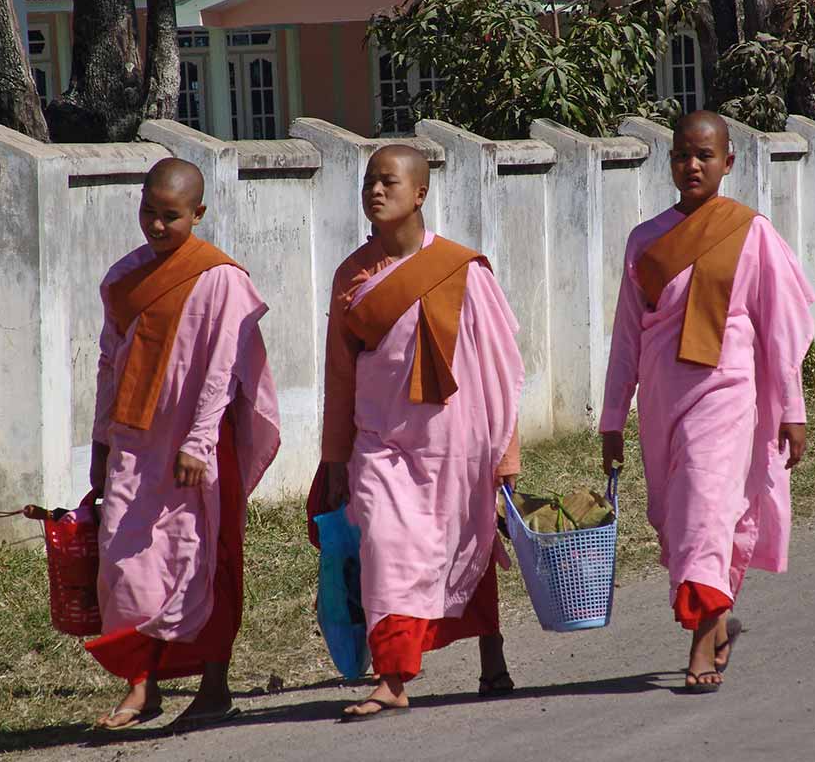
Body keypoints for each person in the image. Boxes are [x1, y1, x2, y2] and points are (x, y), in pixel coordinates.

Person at [599, 111, 815, 693]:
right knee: (677, 522)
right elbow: (626, 336)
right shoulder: (646, 240)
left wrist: (791, 409)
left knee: (704, 511)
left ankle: (699, 644)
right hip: (663, 400)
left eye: (704, 155)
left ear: (727, 162)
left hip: (727, 396)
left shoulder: (752, 232)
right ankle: (718, 621)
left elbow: (780, 331)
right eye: (680, 156)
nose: (691, 165)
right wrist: (613, 418)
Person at [316, 144, 524, 720]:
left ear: (420, 194)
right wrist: (335, 458)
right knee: (385, 548)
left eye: (388, 182)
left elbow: (499, 368)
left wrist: (505, 455)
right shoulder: (350, 276)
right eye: (368, 183)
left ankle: (492, 651)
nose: (376, 192)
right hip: (380, 441)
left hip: (457, 440)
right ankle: (393, 678)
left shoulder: (462, 268)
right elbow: (338, 375)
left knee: (467, 544)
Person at [84, 157, 281, 729]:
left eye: (170, 216)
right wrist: (101, 441)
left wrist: (198, 441)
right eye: (148, 212)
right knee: (124, 563)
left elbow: (224, 367)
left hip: (199, 445)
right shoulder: (124, 277)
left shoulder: (221, 277)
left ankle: (214, 685)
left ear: (198, 213)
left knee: (205, 556)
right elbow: (107, 363)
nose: (156, 226)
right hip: (136, 443)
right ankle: (140, 686)